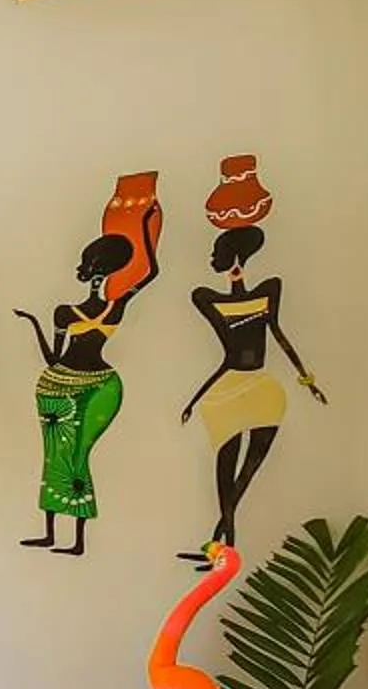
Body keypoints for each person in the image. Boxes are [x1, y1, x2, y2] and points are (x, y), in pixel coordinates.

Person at [16, 196, 159, 558]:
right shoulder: (72, 311)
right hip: (56, 386)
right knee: (54, 456)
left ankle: (77, 538)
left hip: (99, 386)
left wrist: (145, 226)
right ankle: (52, 533)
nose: (97, 279)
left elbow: (151, 272)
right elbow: (53, 359)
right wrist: (34, 324)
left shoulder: (109, 306)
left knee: (77, 455)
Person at [176, 225, 326, 565]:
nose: (213, 259)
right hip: (227, 392)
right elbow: (228, 357)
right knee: (226, 472)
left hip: (264, 390)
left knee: (247, 474)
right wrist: (194, 400)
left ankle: (221, 546)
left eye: (218, 254)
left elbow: (279, 336)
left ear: (236, 256)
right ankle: (221, 547)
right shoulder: (208, 299)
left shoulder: (269, 291)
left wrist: (307, 379)